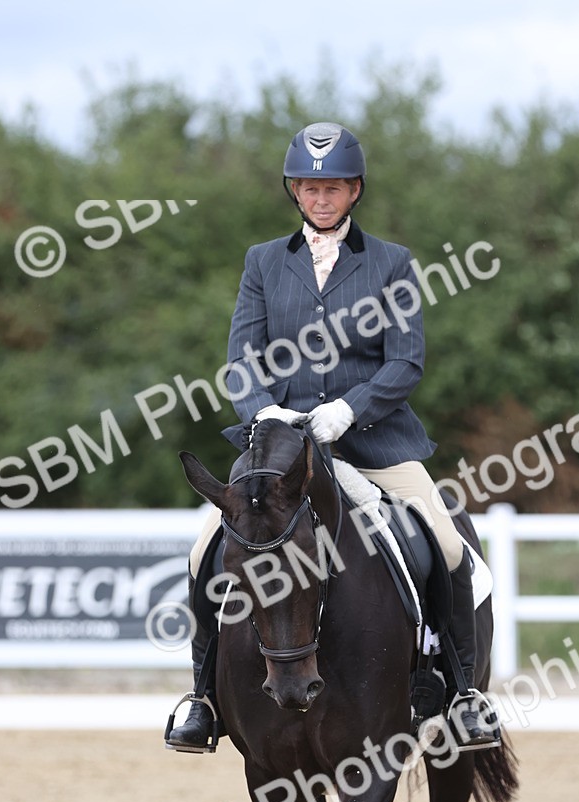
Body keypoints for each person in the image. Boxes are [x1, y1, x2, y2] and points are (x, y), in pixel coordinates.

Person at [168, 121, 497, 753]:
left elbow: (405, 362)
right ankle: (203, 699)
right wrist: (265, 412)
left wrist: (349, 410)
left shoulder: (391, 263)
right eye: (310, 187)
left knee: (449, 545)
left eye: (334, 188)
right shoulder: (264, 261)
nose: (322, 198)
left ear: (355, 191)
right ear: (294, 191)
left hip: (374, 446)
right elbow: (242, 360)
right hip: (280, 449)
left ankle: (463, 694)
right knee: (202, 551)